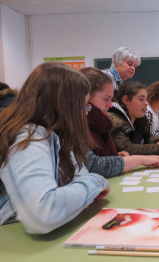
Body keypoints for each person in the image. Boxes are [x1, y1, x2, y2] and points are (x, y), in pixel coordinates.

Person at [0, 62, 110, 233]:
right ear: (65, 106)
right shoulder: (27, 138)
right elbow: (44, 214)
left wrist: (86, 184)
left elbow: (79, 174)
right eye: (84, 106)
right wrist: (97, 182)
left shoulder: (57, 135)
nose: (86, 113)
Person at [80, 67, 159, 178]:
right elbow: (94, 166)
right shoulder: (84, 125)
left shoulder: (102, 121)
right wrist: (139, 159)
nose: (110, 104)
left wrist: (115, 157)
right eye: (105, 99)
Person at [108, 81, 159, 155]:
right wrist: (158, 148)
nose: (146, 103)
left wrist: (157, 142)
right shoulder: (115, 121)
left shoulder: (139, 118)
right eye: (141, 99)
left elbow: (146, 135)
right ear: (126, 100)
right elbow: (127, 148)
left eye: (146, 99)